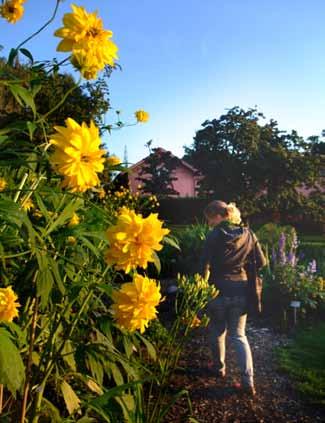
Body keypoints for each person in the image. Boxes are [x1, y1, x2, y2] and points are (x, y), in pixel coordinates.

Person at [200, 200, 266, 396]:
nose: (209, 223)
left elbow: (204, 265)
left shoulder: (213, 236)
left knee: (218, 331)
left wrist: (201, 288)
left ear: (219, 216)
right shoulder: (249, 234)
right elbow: (262, 262)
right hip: (241, 290)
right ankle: (248, 382)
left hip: (218, 290)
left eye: (209, 219)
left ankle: (218, 368)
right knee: (239, 335)